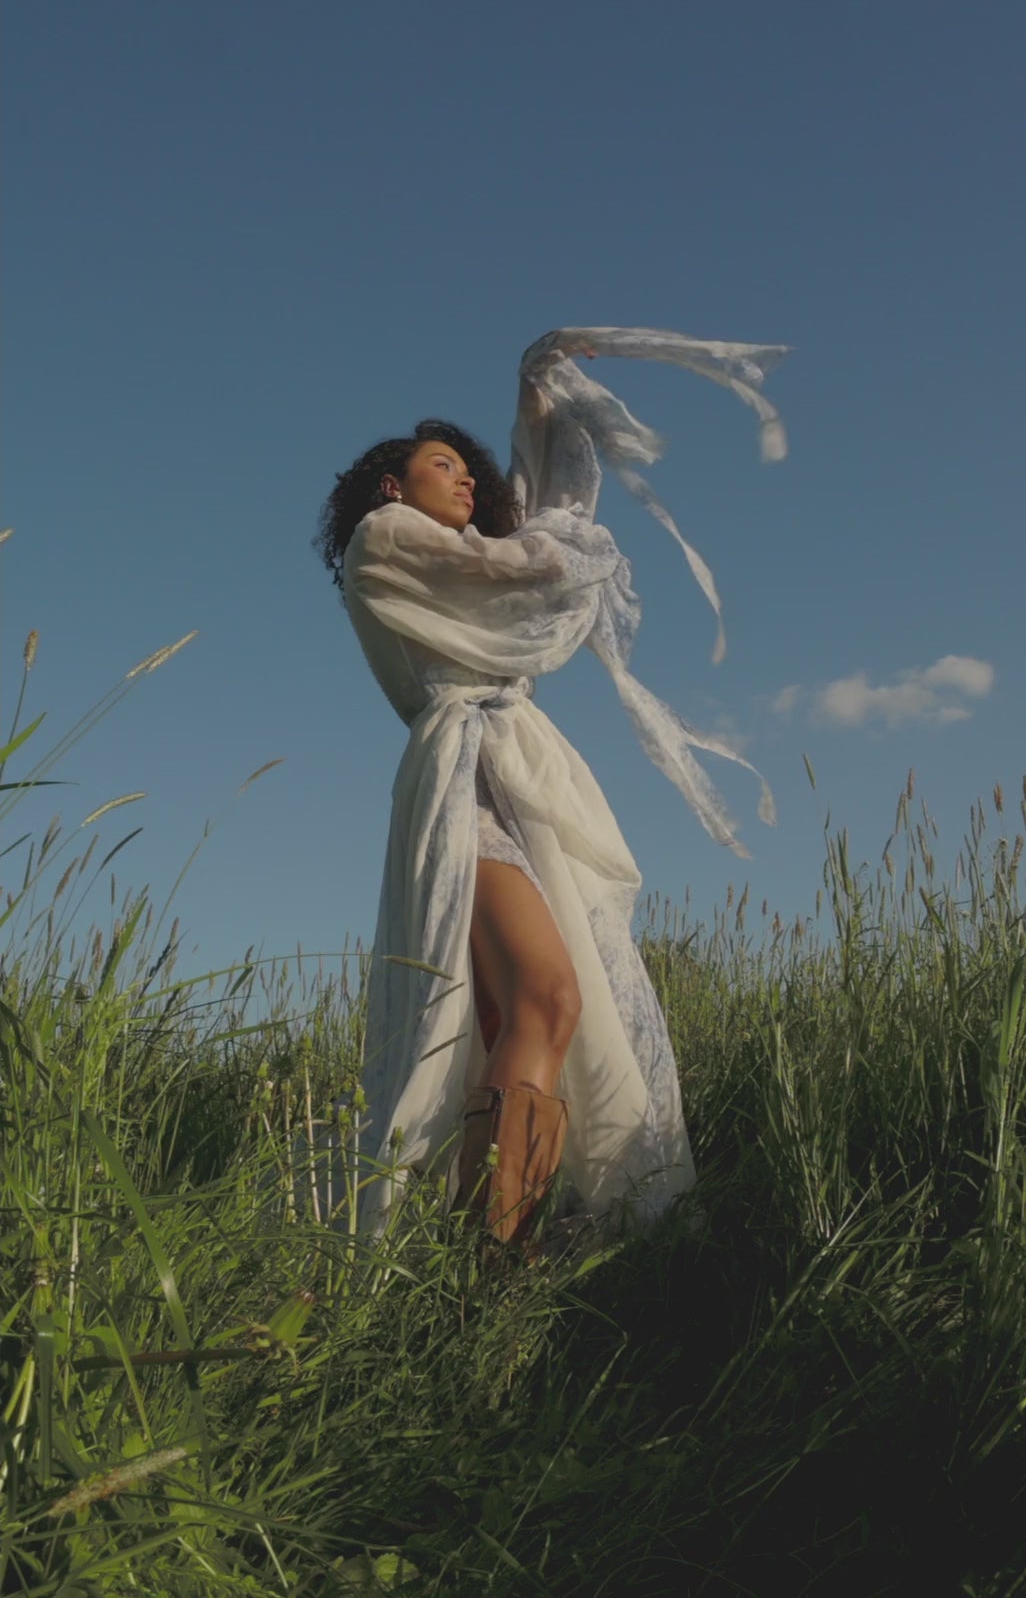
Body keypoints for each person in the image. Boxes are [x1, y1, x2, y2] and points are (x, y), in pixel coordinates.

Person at [313, 327, 788, 1248]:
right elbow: (532, 561)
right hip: (468, 780)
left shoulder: (448, 554)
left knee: (518, 1015)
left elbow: (534, 521)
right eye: (442, 466)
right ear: (390, 486)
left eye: (469, 472)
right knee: (547, 996)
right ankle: (495, 1262)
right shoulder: (387, 537)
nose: (464, 482)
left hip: (509, 773)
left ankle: (488, 1255)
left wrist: (540, 399)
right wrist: (555, 534)